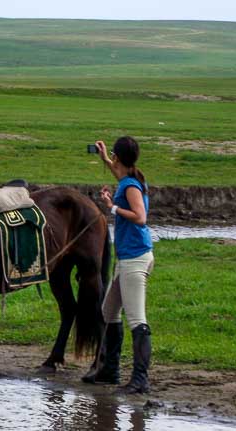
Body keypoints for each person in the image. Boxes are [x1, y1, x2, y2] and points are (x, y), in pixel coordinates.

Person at [82, 136, 154, 394]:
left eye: (113, 155)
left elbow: (141, 218)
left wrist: (112, 208)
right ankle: (110, 370)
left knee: (136, 319)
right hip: (126, 258)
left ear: (119, 157)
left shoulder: (131, 186)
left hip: (135, 259)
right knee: (108, 311)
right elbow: (120, 175)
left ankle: (140, 380)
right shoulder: (128, 178)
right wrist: (103, 158)